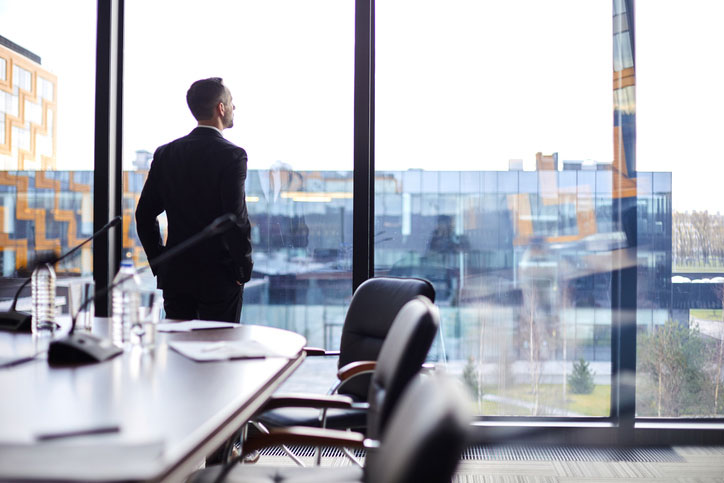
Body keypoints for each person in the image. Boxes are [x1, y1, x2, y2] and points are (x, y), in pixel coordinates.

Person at [135, 77, 253, 322]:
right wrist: (243, 269)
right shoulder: (232, 155)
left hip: (176, 276)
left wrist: (160, 261)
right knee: (218, 350)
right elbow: (235, 219)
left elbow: (144, 214)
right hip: (219, 277)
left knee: (177, 351)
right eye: (231, 103)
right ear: (221, 108)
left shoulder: (166, 153)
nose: (234, 108)